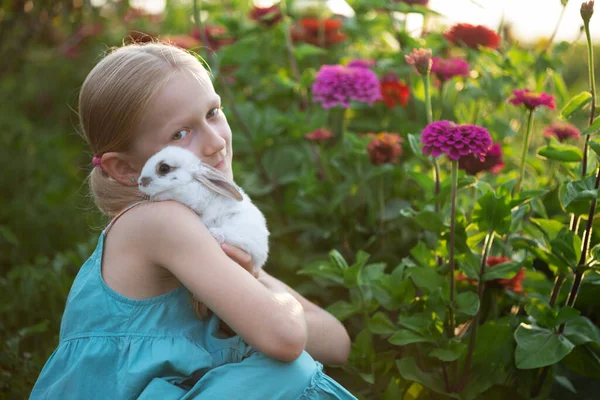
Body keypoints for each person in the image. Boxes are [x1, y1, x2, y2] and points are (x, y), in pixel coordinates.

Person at [30, 42, 356, 399]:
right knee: (287, 372)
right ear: (125, 168)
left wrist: (256, 278)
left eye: (213, 112)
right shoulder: (160, 222)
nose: (216, 142)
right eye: (180, 133)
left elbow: (337, 342)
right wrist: (275, 299)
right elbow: (288, 339)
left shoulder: (202, 231)